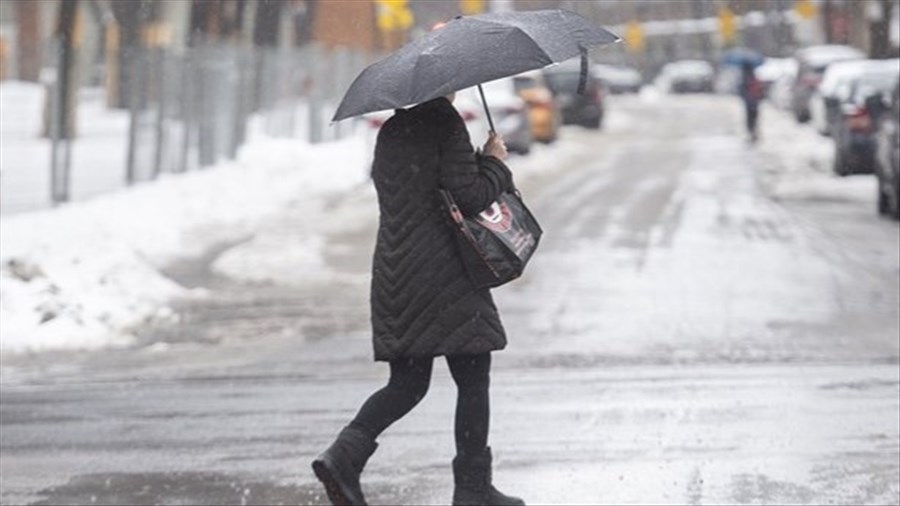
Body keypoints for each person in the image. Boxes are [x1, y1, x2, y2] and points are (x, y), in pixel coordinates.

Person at [312, 92, 525, 506]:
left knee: (408, 383)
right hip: (444, 271)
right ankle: (473, 488)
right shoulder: (445, 123)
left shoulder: (393, 129)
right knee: (473, 373)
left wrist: (475, 163)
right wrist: (495, 162)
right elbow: (468, 196)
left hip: (397, 270)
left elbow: (423, 187)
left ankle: (345, 456)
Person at [739, 61, 764, 142]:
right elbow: (760, 90)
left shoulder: (745, 77)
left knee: (749, 119)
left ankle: (751, 133)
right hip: (755, 102)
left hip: (749, 102)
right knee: (754, 118)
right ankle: (754, 133)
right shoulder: (754, 76)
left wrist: (745, 97)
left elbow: (742, 90)